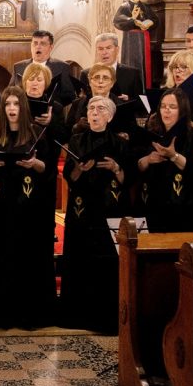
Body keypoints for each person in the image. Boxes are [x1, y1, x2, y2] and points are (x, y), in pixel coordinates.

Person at [0, 86, 57, 329]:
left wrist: (35, 164)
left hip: (28, 209)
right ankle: (0, 314)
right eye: (8, 104)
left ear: (23, 108)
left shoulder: (37, 134)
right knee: (0, 256)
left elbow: (49, 170)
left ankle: (28, 314)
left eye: (16, 104)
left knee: (27, 258)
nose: (12, 109)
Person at [60, 95, 130, 334]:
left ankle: (105, 316)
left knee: (107, 261)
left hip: (108, 208)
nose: (95, 113)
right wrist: (79, 169)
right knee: (80, 257)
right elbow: (69, 175)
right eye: (91, 108)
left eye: (101, 109)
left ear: (110, 116)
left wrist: (116, 168)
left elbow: (128, 178)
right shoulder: (77, 140)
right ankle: (77, 315)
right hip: (82, 209)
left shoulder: (119, 143)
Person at [134, 88, 193, 232]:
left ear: (182, 110)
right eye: (163, 106)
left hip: (184, 206)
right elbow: (137, 166)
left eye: (172, 107)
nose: (166, 110)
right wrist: (148, 159)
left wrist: (173, 156)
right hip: (153, 205)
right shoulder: (152, 133)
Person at [67, 64, 136, 137]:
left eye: (105, 78)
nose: (100, 81)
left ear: (112, 83)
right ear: (90, 82)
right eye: (96, 77)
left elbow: (133, 136)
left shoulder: (124, 106)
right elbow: (65, 135)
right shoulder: (78, 104)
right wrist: (77, 127)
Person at [11, 30, 77, 105]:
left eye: (42, 44)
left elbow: (70, 96)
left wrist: (51, 107)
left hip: (51, 114)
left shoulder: (62, 67)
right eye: (35, 43)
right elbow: (10, 92)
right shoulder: (18, 67)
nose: (38, 47)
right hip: (23, 113)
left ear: (51, 47)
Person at [112, 0, 157, 87]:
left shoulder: (145, 7)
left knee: (144, 65)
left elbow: (155, 19)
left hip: (144, 38)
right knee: (132, 63)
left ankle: (144, 89)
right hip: (131, 39)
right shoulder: (125, 6)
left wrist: (150, 23)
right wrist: (132, 19)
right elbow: (117, 20)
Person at [80, 33, 143, 101]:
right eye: (100, 49)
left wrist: (129, 99)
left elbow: (141, 103)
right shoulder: (85, 74)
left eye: (108, 48)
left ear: (117, 49)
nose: (104, 52)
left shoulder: (132, 73)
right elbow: (81, 101)